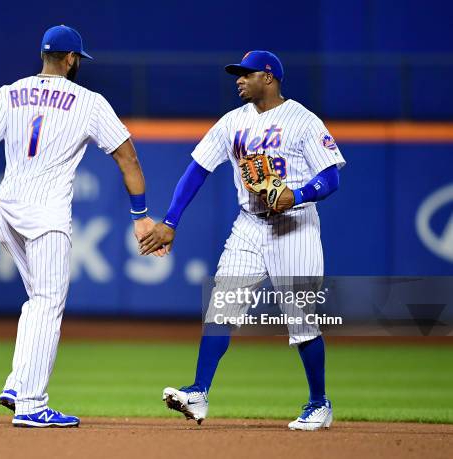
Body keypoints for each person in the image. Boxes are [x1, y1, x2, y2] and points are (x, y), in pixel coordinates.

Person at [0, 25, 156, 428]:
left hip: (6, 210)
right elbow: (128, 157)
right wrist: (140, 215)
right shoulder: (89, 102)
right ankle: (32, 403)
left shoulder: (8, 92)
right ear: (70, 59)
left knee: (36, 300)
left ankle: (16, 384)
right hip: (46, 215)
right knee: (49, 303)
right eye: (77, 58)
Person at [140, 50, 345, 430]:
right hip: (250, 225)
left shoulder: (303, 120)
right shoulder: (232, 122)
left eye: (245, 74)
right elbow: (197, 169)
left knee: (302, 320)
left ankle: (319, 403)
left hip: (296, 226)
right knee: (221, 305)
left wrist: (296, 196)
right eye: (237, 74)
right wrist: (170, 220)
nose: (238, 79)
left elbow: (331, 178)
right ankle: (199, 392)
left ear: (268, 77)